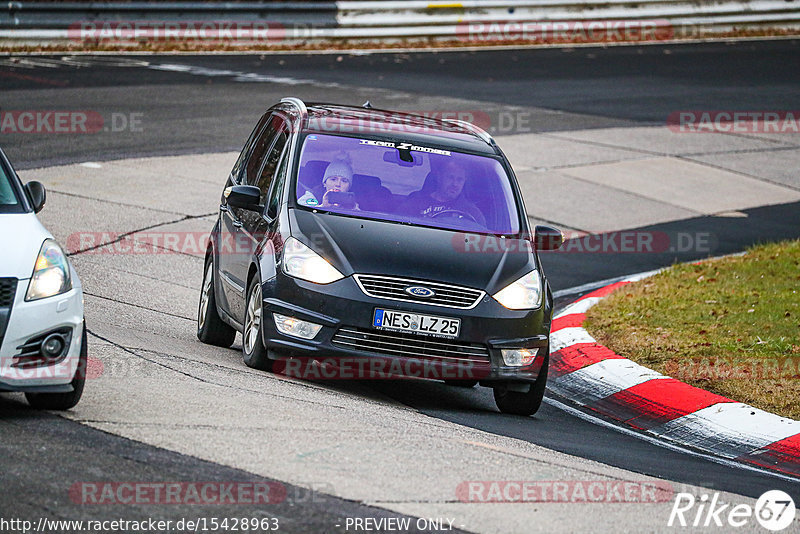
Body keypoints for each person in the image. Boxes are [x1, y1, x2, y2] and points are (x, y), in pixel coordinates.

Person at [399, 160, 485, 226]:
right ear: (439, 178)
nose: (455, 184)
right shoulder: (415, 202)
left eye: (459, 179)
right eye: (450, 177)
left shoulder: (471, 212)